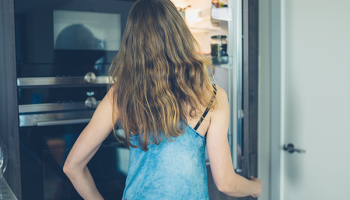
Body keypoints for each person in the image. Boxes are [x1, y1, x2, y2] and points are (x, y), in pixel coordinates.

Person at [63, 0, 263, 199]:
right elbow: (226, 183)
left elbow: (72, 166)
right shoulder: (212, 95)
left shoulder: (122, 92)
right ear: (180, 34)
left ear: (133, 42)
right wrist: (254, 187)